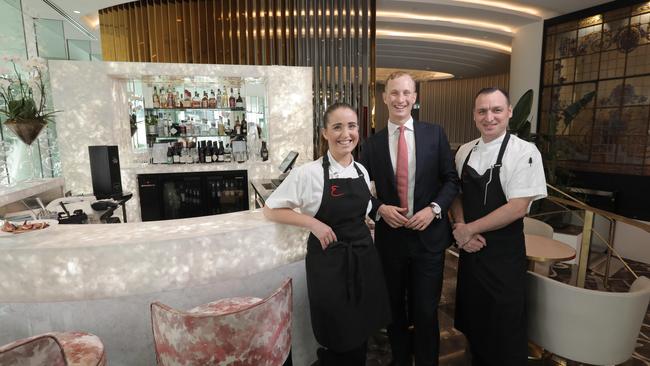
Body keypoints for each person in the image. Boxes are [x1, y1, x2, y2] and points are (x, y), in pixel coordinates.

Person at [263, 102, 390, 366]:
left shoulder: (361, 170)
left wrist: (368, 221)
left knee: (362, 328)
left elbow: (363, 208)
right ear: (324, 133)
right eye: (337, 127)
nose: (346, 134)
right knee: (338, 332)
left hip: (363, 258)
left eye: (352, 126)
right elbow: (272, 209)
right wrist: (313, 223)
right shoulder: (307, 173)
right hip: (329, 263)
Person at [360, 71, 459, 366]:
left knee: (427, 311)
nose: (400, 99)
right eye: (394, 93)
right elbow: (358, 188)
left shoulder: (435, 133)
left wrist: (434, 209)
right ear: (385, 97)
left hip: (429, 239)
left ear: (415, 98)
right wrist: (379, 208)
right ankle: (401, 359)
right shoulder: (372, 144)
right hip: (391, 241)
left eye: (406, 93)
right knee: (394, 310)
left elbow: (451, 180)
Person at [450, 87, 547, 365]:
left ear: (509, 113)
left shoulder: (525, 152)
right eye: (482, 111)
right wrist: (460, 226)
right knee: (475, 325)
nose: (489, 117)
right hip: (472, 255)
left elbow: (517, 207)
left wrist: (468, 230)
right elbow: (456, 194)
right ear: (474, 116)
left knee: (505, 330)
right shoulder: (465, 151)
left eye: (496, 110)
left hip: (504, 257)